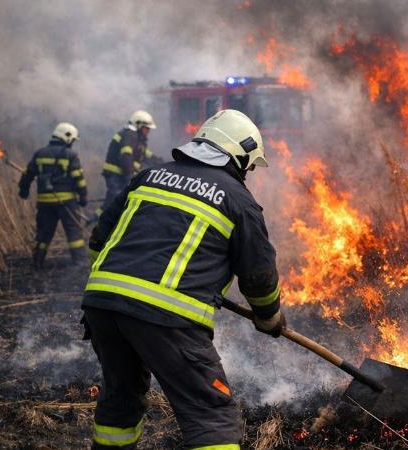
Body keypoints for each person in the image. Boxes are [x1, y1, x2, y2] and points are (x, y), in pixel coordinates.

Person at [82, 109, 284, 449]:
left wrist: (119, 286)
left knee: (121, 401)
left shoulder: (148, 177)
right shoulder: (238, 200)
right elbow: (259, 275)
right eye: (249, 165)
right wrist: (269, 316)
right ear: (237, 154)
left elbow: (99, 241)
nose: (248, 173)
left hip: (101, 305)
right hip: (166, 317)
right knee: (210, 415)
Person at [18, 122, 88, 268]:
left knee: (43, 234)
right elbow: (78, 178)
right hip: (66, 202)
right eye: (73, 140)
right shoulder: (70, 155)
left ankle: (37, 262)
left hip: (44, 203)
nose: (73, 143)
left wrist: (23, 191)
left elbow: (27, 174)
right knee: (73, 232)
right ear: (67, 136)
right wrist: (83, 197)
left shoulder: (40, 153)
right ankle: (80, 263)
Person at [99, 110, 160, 215]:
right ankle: (101, 222)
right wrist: (130, 177)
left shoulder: (137, 139)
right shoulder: (129, 135)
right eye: (147, 128)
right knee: (115, 201)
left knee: (114, 201)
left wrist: (162, 163)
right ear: (138, 125)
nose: (148, 131)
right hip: (116, 175)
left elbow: (146, 155)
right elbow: (126, 158)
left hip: (120, 175)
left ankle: (99, 218)